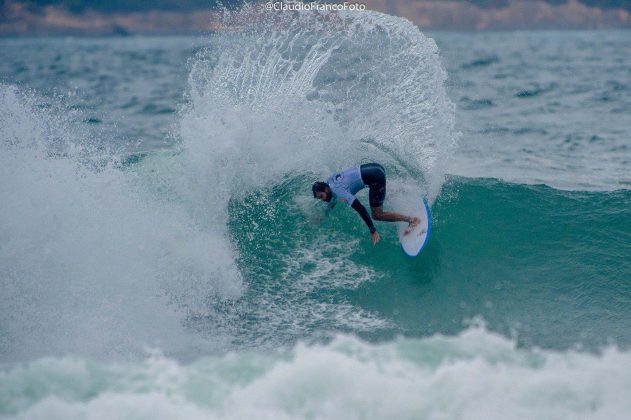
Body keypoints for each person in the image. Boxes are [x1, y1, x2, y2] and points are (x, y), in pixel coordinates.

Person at [312, 163, 420, 245]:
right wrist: (324, 215)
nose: (322, 199)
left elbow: (360, 208)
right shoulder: (329, 182)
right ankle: (404, 189)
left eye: (321, 196)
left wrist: (372, 230)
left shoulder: (338, 191)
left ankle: (412, 220)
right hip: (375, 168)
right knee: (377, 195)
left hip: (375, 178)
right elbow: (332, 200)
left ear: (326, 189)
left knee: (377, 215)